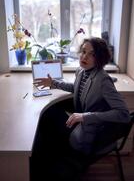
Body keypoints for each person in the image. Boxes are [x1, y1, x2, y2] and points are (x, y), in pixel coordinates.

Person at [31, 37, 130, 181]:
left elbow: (123, 114)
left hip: (89, 130)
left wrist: (85, 116)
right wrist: (53, 83)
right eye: (83, 51)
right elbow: (76, 88)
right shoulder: (81, 71)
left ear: (100, 58)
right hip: (80, 123)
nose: (85, 56)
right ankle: (44, 161)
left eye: (92, 54)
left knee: (49, 119)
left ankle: (47, 166)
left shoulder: (103, 80)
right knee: (49, 114)